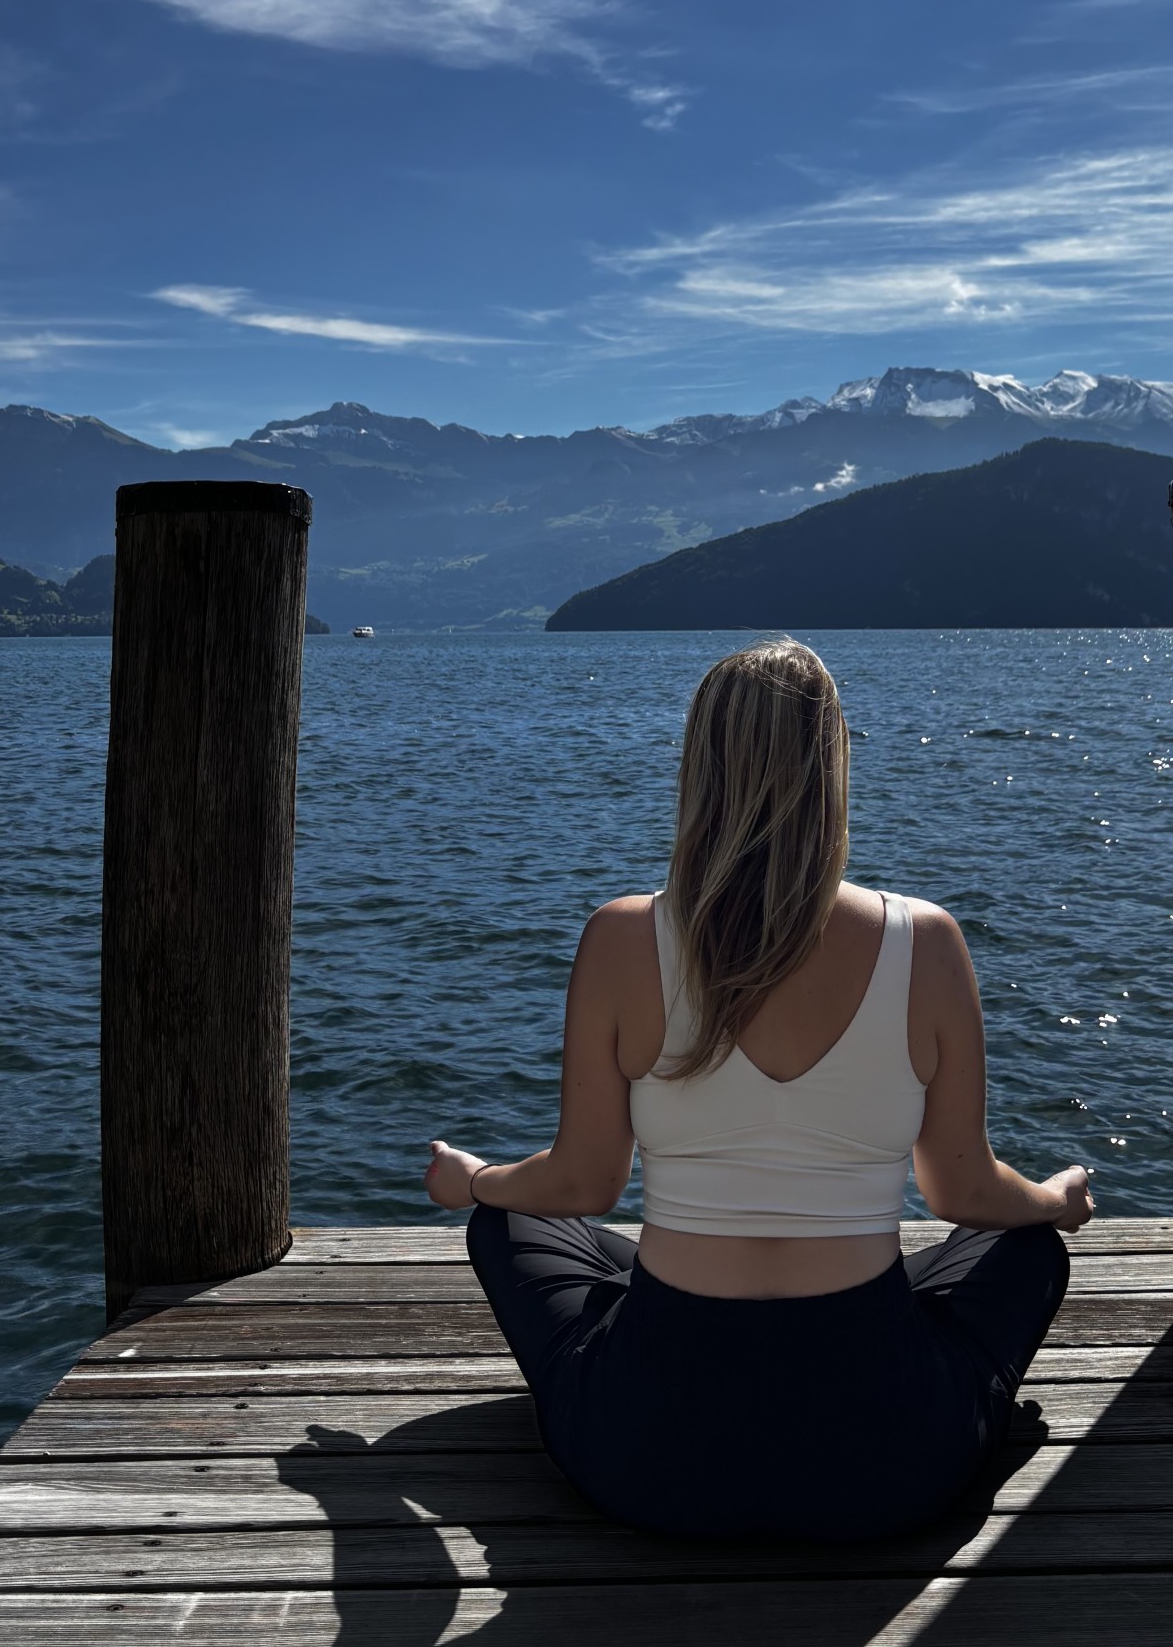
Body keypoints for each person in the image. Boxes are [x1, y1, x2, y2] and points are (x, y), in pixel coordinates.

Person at [425, 637, 1093, 1539]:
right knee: (1029, 1247)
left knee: (513, 1217)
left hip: (649, 1455)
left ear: (699, 767)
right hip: (890, 1460)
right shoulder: (924, 941)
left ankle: (644, 1298)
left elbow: (581, 1187)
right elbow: (963, 1196)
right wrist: (1053, 1198)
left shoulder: (623, 939)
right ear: (834, 764)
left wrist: (472, 1181)